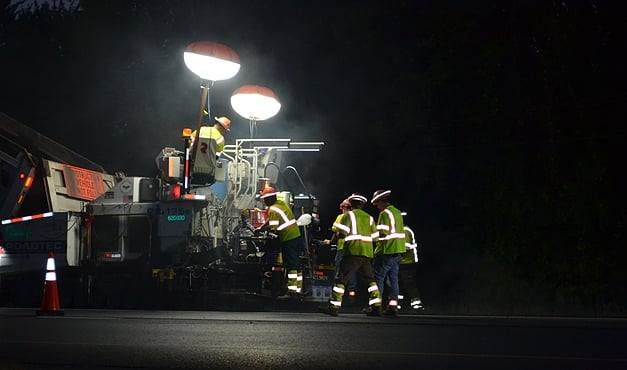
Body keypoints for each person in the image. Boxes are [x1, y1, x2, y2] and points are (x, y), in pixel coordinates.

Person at [319, 193, 382, 317]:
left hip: (352, 252)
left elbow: (341, 234)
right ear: (363, 204)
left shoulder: (347, 216)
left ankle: (333, 307)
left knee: (341, 279)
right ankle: (376, 307)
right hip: (367, 253)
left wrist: (332, 241)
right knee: (370, 281)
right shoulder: (369, 218)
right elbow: (375, 238)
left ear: (351, 204)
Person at [258, 186, 303, 297]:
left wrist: (267, 242)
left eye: (265, 199)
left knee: (291, 263)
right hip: (295, 235)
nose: (264, 201)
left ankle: (292, 291)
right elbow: (272, 220)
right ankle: (298, 289)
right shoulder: (280, 203)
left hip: (288, 238)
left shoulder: (273, 210)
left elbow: (274, 231)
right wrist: (262, 227)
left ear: (270, 198)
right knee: (296, 262)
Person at [371, 189, 406, 317]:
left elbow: (382, 234)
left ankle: (376, 307)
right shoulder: (397, 212)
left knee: (378, 278)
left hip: (386, 251)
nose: (377, 207)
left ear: (382, 201)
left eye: (377, 204)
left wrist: (371, 236)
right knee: (393, 280)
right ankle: (393, 307)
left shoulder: (384, 214)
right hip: (398, 251)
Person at [323, 199, 358, 300]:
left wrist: (330, 242)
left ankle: (337, 294)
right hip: (353, 248)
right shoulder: (356, 218)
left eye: (342, 208)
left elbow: (336, 232)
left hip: (342, 247)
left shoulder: (341, 217)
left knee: (339, 271)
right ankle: (352, 292)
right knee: (352, 270)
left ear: (345, 207)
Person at [189, 115, 231, 185]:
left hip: (191, 166)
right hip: (208, 171)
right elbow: (216, 157)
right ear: (222, 128)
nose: (224, 132)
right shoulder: (220, 139)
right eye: (225, 131)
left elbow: (190, 144)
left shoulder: (201, 130)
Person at [398, 221, 424, 312]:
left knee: (409, 284)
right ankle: (397, 305)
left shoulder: (405, 231)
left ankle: (417, 305)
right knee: (399, 285)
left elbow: (406, 246)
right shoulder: (400, 230)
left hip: (407, 263)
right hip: (401, 263)